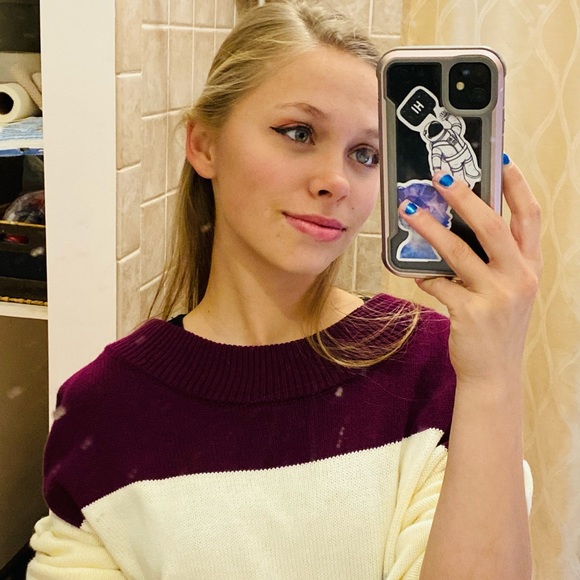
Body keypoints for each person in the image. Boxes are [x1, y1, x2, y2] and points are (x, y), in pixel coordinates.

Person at [27, 1, 541, 578]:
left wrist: (494, 376)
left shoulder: (437, 370)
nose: (336, 181)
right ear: (204, 145)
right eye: (299, 133)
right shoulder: (103, 410)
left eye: (366, 154)